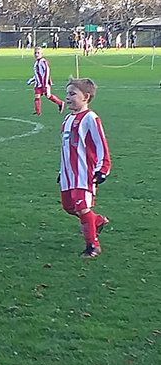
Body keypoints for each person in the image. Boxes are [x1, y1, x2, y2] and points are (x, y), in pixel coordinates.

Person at [58, 77, 111, 258]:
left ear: (86, 97)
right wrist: (61, 171)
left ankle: (92, 246)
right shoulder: (67, 119)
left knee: (82, 208)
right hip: (68, 174)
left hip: (84, 173)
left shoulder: (90, 118)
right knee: (69, 207)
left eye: (72, 94)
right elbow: (66, 148)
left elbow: (101, 145)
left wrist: (103, 169)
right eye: (67, 94)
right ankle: (96, 221)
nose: (68, 97)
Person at [27, 46, 64, 115]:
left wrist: (45, 83)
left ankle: (60, 103)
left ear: (42, 54)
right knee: (37, 96)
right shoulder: (36, 63)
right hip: (38, 84)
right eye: (35, 53)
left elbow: (46, 73)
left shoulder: (43, 62)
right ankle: (38, 112)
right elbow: (37, 74)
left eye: (38, 53)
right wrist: (31, 80)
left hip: (45, 83)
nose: (36, 54)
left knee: (48, 96)